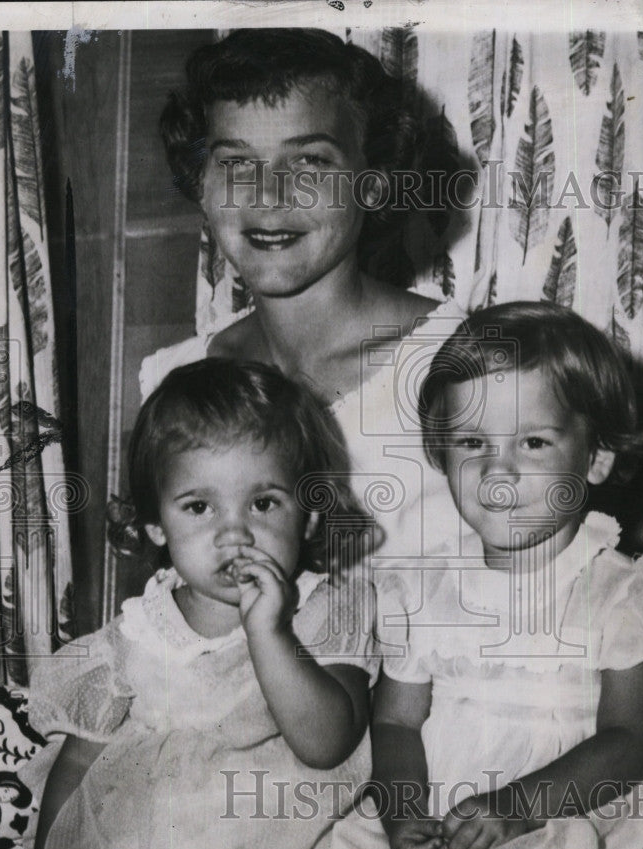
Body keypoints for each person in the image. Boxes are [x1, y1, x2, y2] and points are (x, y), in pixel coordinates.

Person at [331, 302, 643, 849]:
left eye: (533, 443)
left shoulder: (626, 589)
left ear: (596, 457)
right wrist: (402, 815)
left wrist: (517, 807)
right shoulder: (422, 589)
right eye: (472, 444)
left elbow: (631, 737)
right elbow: (396, 721)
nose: (499, 472)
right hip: (446, 796)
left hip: (570, 799)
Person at [7, 358, 379, 849]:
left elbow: (327, 746)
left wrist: (269, 633)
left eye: (264, 501)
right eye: (199, 506)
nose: (235, 533)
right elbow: (78, 769)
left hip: (289, 834)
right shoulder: (138, 633)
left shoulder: (324, 611)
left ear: (310, 516)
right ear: (156, 525)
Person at [147, 28, 466, 561]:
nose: (269, 194)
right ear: (200, 183)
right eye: (236, 164)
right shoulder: (179, 380)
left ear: (374, 182)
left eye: (309, 163)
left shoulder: (462, 365)